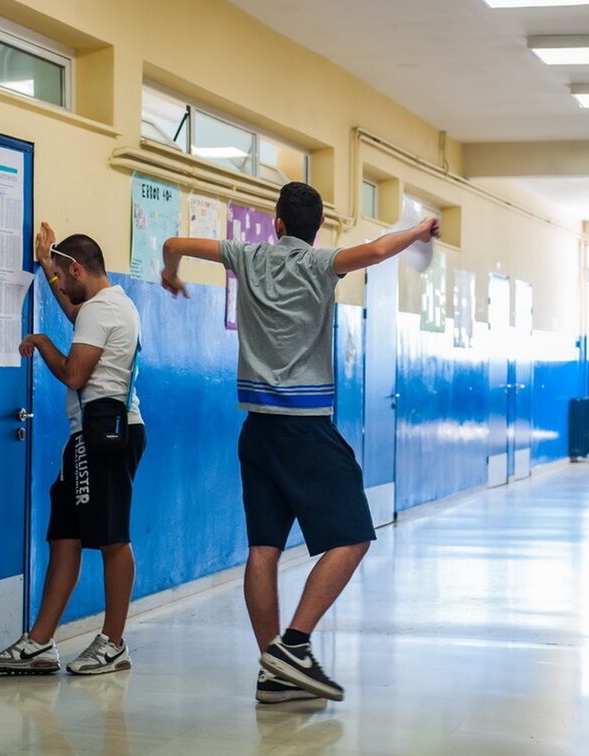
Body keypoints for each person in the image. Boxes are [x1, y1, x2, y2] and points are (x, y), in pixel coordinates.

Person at [160, 182, 440, 703]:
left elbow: (175, 244)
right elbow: (378, 250)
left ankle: (271, 672)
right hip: (305, 429)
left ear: (277, 224)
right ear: (314, 232)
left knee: (263, 548)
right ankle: (293, 645)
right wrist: (421, 229)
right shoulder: (320, 264)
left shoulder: (246, 256)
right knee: (354, 534)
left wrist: (169, 274)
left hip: (257, 431)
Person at [0, 224, 147, 676]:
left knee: (113, 538)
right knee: (65, 536)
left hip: (108, 437)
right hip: (90, 436)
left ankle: (113, 643)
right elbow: (77, 313)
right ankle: (40, 644)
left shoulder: (102, 308)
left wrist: (41, 342)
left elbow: (75, 374)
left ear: (77, 268)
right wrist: (47, 268)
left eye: (62, 275)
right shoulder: (110, 304)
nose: (62, 287)